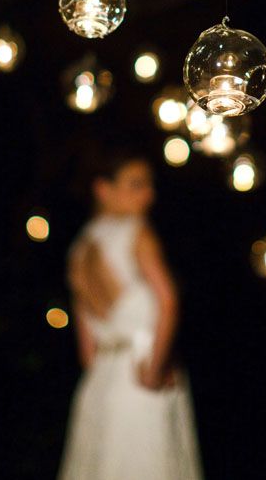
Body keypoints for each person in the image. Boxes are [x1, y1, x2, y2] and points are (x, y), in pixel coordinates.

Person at [57, 151, 203, 480]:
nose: (149, 194)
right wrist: (154, 368)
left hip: (99, 383)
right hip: (141, 373)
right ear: (103, 189)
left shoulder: (78, 250)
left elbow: (88, 350)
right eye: (136, 185)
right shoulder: (138, 232)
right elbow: (168, 301)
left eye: (149, 185)